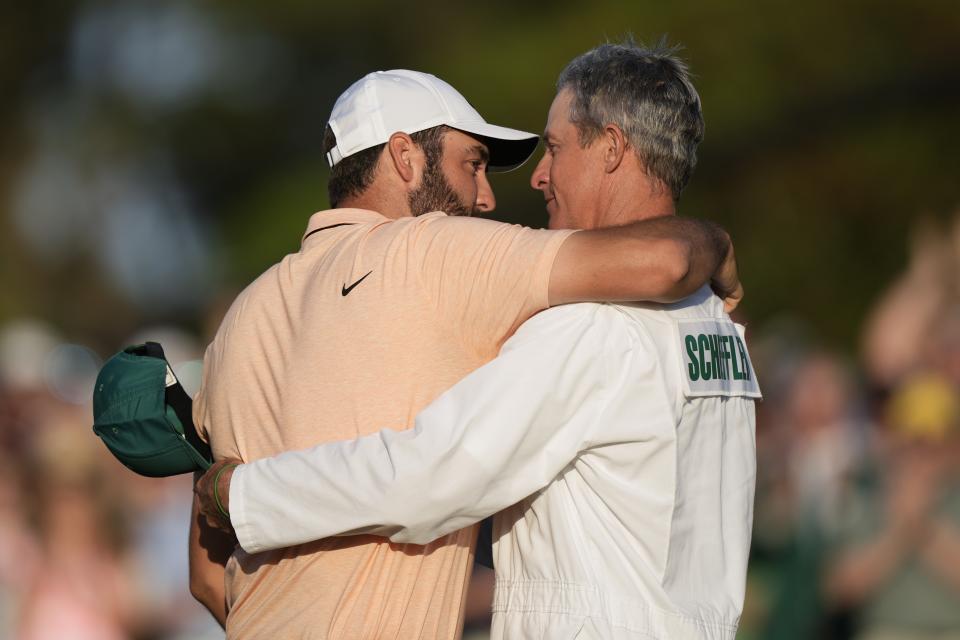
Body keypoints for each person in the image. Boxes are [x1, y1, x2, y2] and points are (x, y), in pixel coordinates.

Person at [197, 42, 759, 639]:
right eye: (475, 164)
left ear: (614, 148)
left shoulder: (590, 323)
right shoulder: (721, 331)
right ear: (403, 158)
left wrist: (248, 493)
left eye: (556, 147)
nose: (535, 176)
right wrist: (716, 243)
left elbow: (430, 475)